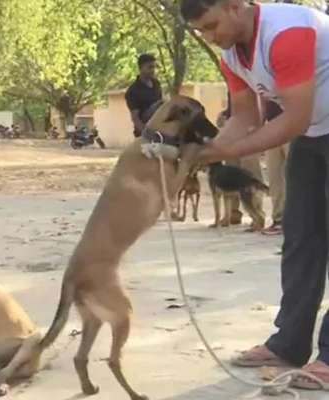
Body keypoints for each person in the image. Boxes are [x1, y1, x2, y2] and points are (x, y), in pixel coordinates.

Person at [182, 0, 329, 386]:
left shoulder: (286, 31)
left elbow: (293, 117)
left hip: (308, 126)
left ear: (235, 6)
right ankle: (288, 344)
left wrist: (222, 153)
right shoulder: (232, 55)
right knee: (300, 240)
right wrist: (204, 153)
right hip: (315, 136)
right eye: (201, 32)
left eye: (212, 26)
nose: (210, 38)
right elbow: (246, 118)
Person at [262, 100, 287, 235]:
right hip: (271, 126)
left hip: (292, 123)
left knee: (296, 175)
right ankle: (278, 219)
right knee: (274, 176)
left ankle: (297, 219)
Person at [125, 53, 163, 138]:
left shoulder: (156, 84)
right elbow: (135, 118)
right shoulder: (133, 91)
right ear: (141, 68)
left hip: (160, 129)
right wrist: (146, 134)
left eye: (154, 67)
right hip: (144, 133)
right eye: (149, 67)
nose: (153, 70)